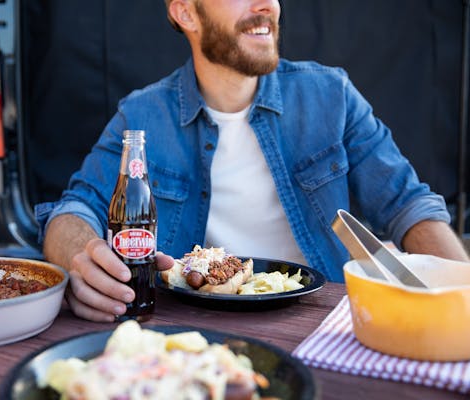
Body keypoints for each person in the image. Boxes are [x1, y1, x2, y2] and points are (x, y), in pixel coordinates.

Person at [36, 0, 469, 322]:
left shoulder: (331, 96)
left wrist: (463, 294)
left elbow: (409, 207)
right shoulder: (143, 116)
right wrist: (80, 257)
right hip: (190, 328)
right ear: (186, 12)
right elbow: (74, 208)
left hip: (318, 323)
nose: (268, 6)